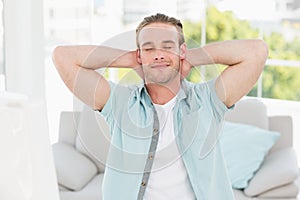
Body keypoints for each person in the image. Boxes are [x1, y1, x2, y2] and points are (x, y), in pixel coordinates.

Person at [52, 13, 268, 200]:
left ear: (182, 50)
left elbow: (256, 51)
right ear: (139, 54)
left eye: (167, 46)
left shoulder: (208, 100)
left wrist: (190, 58)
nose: (159, 54)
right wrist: (128, 59)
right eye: (149, 48)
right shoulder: (120, 102)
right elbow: (62, 57)